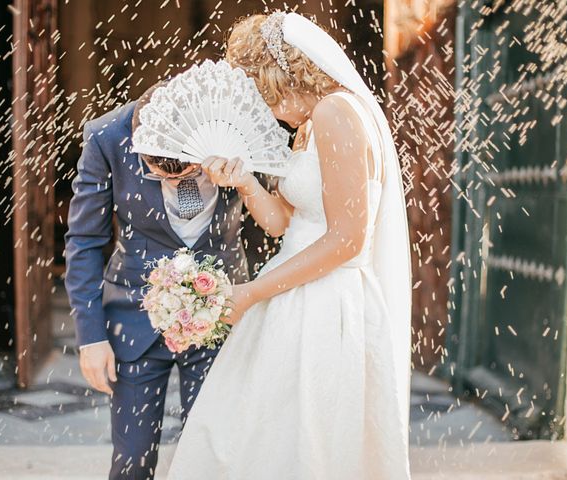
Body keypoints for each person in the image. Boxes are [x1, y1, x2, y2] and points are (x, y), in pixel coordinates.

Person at [167, 11, 412, 480]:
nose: (266, 109)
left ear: (281, 76)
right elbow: (284, 223)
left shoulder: (336, 113)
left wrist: (251, 293)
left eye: (264, 94)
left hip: (325, 306)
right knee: (257, 437)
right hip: (295, 295)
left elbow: (346, 240)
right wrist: (243, 182)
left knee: (304, 443)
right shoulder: (311, 126)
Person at [64, 81, 262, 479]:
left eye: (186, 174)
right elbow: (85, 241)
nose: (174, 184)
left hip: (222, 315)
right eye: (158, 175)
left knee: (212, 456)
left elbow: (280, 213)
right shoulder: (106, 138)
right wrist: (91, 337)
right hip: (136, 318)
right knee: (132, 460)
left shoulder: (240, 131)